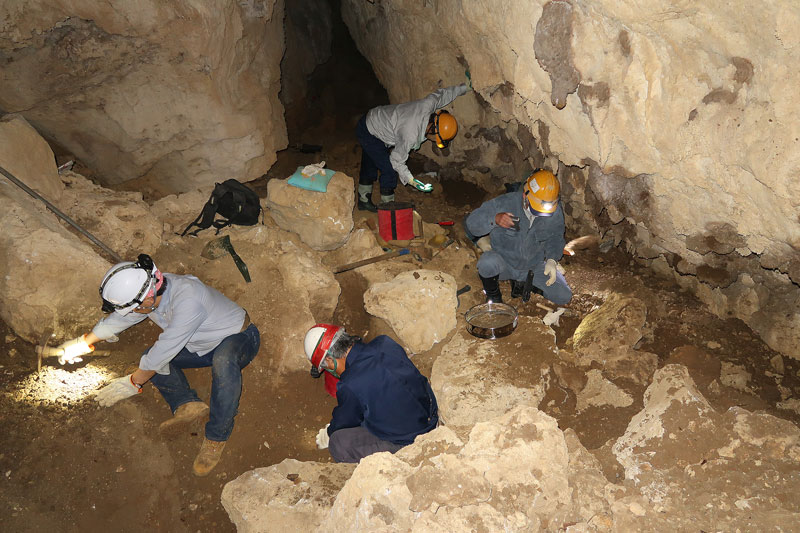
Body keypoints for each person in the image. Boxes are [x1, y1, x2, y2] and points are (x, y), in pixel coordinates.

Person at [55, 254, 260, 476]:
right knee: (149, 357)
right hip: (201, 343)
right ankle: (187, 403)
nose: (132, 313)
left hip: (239, 338)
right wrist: (84, 342)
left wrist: (135, 382)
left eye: (133, 308)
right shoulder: (151, 292)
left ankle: (216, 437)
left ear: (147, 299)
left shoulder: (188, 300)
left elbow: (165, 349)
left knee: (222, 361)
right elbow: (122, 319)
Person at [303, 324, 438, 463]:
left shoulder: (350, 383)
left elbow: (346, 420)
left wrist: (330, 432)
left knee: (339, 443)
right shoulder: (384, 343)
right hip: (430, 413)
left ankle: (398, 458)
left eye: (326, 367)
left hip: (410, 439)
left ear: (329, 360)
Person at [355, 80, 471, 212]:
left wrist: (463, 89)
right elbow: (396, 160)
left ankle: (363, 201)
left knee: (371, 159)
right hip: (369, 129)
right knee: (388, 169)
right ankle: (387, 208)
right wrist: (413, 181)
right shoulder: (410, 133)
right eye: (436, 139)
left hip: (376, 119)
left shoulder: (427, 106)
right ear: (432, 129)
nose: (434, 141)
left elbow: (442, 95)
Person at [465, 169, 572, 306]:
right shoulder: (504, 203)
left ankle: (525, 285)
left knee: (564, 296)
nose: (540, 216)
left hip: (533, 267)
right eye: (537, 210)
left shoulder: (554, 210)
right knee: (486, 263)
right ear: (524, 196)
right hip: (504, 264)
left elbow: (556, 237)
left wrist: (551, 259)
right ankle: (494, 296)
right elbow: (471, 224)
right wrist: (494, 219)